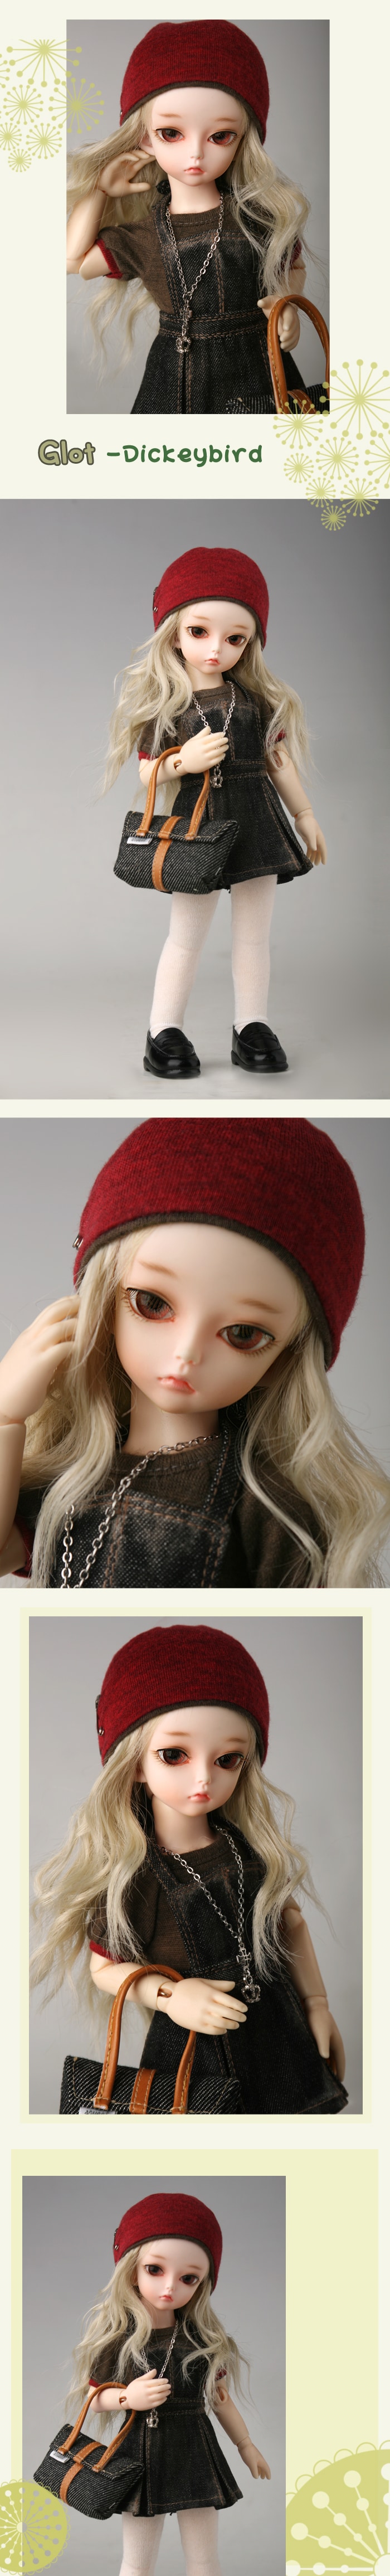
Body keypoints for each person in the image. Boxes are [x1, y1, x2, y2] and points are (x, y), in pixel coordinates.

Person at [1, 1115, 388, 1590]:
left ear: (284, 1361)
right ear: (104, 1304)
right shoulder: (73, 1476)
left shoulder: (265, 1507)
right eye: (153, 1304)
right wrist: (5, 1417)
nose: (185, 1354)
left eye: (243, 1334)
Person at [31, 1623, 348, 2116]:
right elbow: (104, 1969)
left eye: (228, 1759)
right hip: (191, 2053)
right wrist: (171, 1996)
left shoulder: (245, 1850)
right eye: (174, 1755)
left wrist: (317, 2006)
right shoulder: (137, 1876)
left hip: (277, 2037)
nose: (203, 1778)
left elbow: (291, 1923)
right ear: (135, 1763)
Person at [108, 542, 326, 1076]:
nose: (215, 650)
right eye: (199, 632)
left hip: (258, 819)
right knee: (187, 935)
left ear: (250, 644)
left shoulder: (256, 702)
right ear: (173, 633)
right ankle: (164, 1030)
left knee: (254, 935)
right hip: (199, 824)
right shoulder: (169, 706)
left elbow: (278, 762)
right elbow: (147, 771)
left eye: (235, 639)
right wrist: (184, 759)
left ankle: (252, 1025)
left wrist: (305, 815)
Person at [66, 21, 327, 413]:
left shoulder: (255, 219)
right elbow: (73, 260)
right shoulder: (146, 237)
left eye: (220, 136)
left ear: (244, 139)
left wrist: (286, 303)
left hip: (260, 372)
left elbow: (293, 263)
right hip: (176, 379)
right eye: (171, 133)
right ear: (144, 137)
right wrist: (99, 192)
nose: (196, 154)